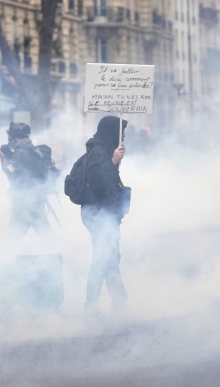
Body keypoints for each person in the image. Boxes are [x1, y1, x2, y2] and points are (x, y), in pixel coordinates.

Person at [81, 115, 128, 315]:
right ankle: (96, 305)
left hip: (100, 214)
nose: (123, 137)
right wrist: (113, 163)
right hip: (101, 214)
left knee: (107, 258)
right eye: (120, 133)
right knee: (104, 259)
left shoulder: (98, 150)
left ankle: (116, 302)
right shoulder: (100, 154)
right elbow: (101, 182)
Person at [0, 122, 50, 239]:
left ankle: (8, 255)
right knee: (44, 231)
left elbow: (11, 170)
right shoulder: (30, 148)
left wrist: (3, 158)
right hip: (37, 196)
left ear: (16, 137)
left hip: (25, 199)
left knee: (16, 232)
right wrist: (9, 155)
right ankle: (55, 252)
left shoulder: (21, 152)